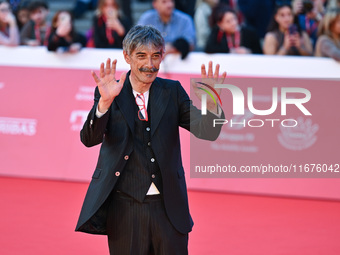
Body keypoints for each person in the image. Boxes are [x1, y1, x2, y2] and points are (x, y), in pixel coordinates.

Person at [75, 25, 226, 255]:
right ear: (127, 56)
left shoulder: (172, 91)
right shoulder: (110, 91)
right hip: (125, 208)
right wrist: (103, 104)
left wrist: (212, 101)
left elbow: (207, 131)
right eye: (142, 56)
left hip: (168, 208)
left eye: (156, 55)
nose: (150, 64)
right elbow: (89, 139)